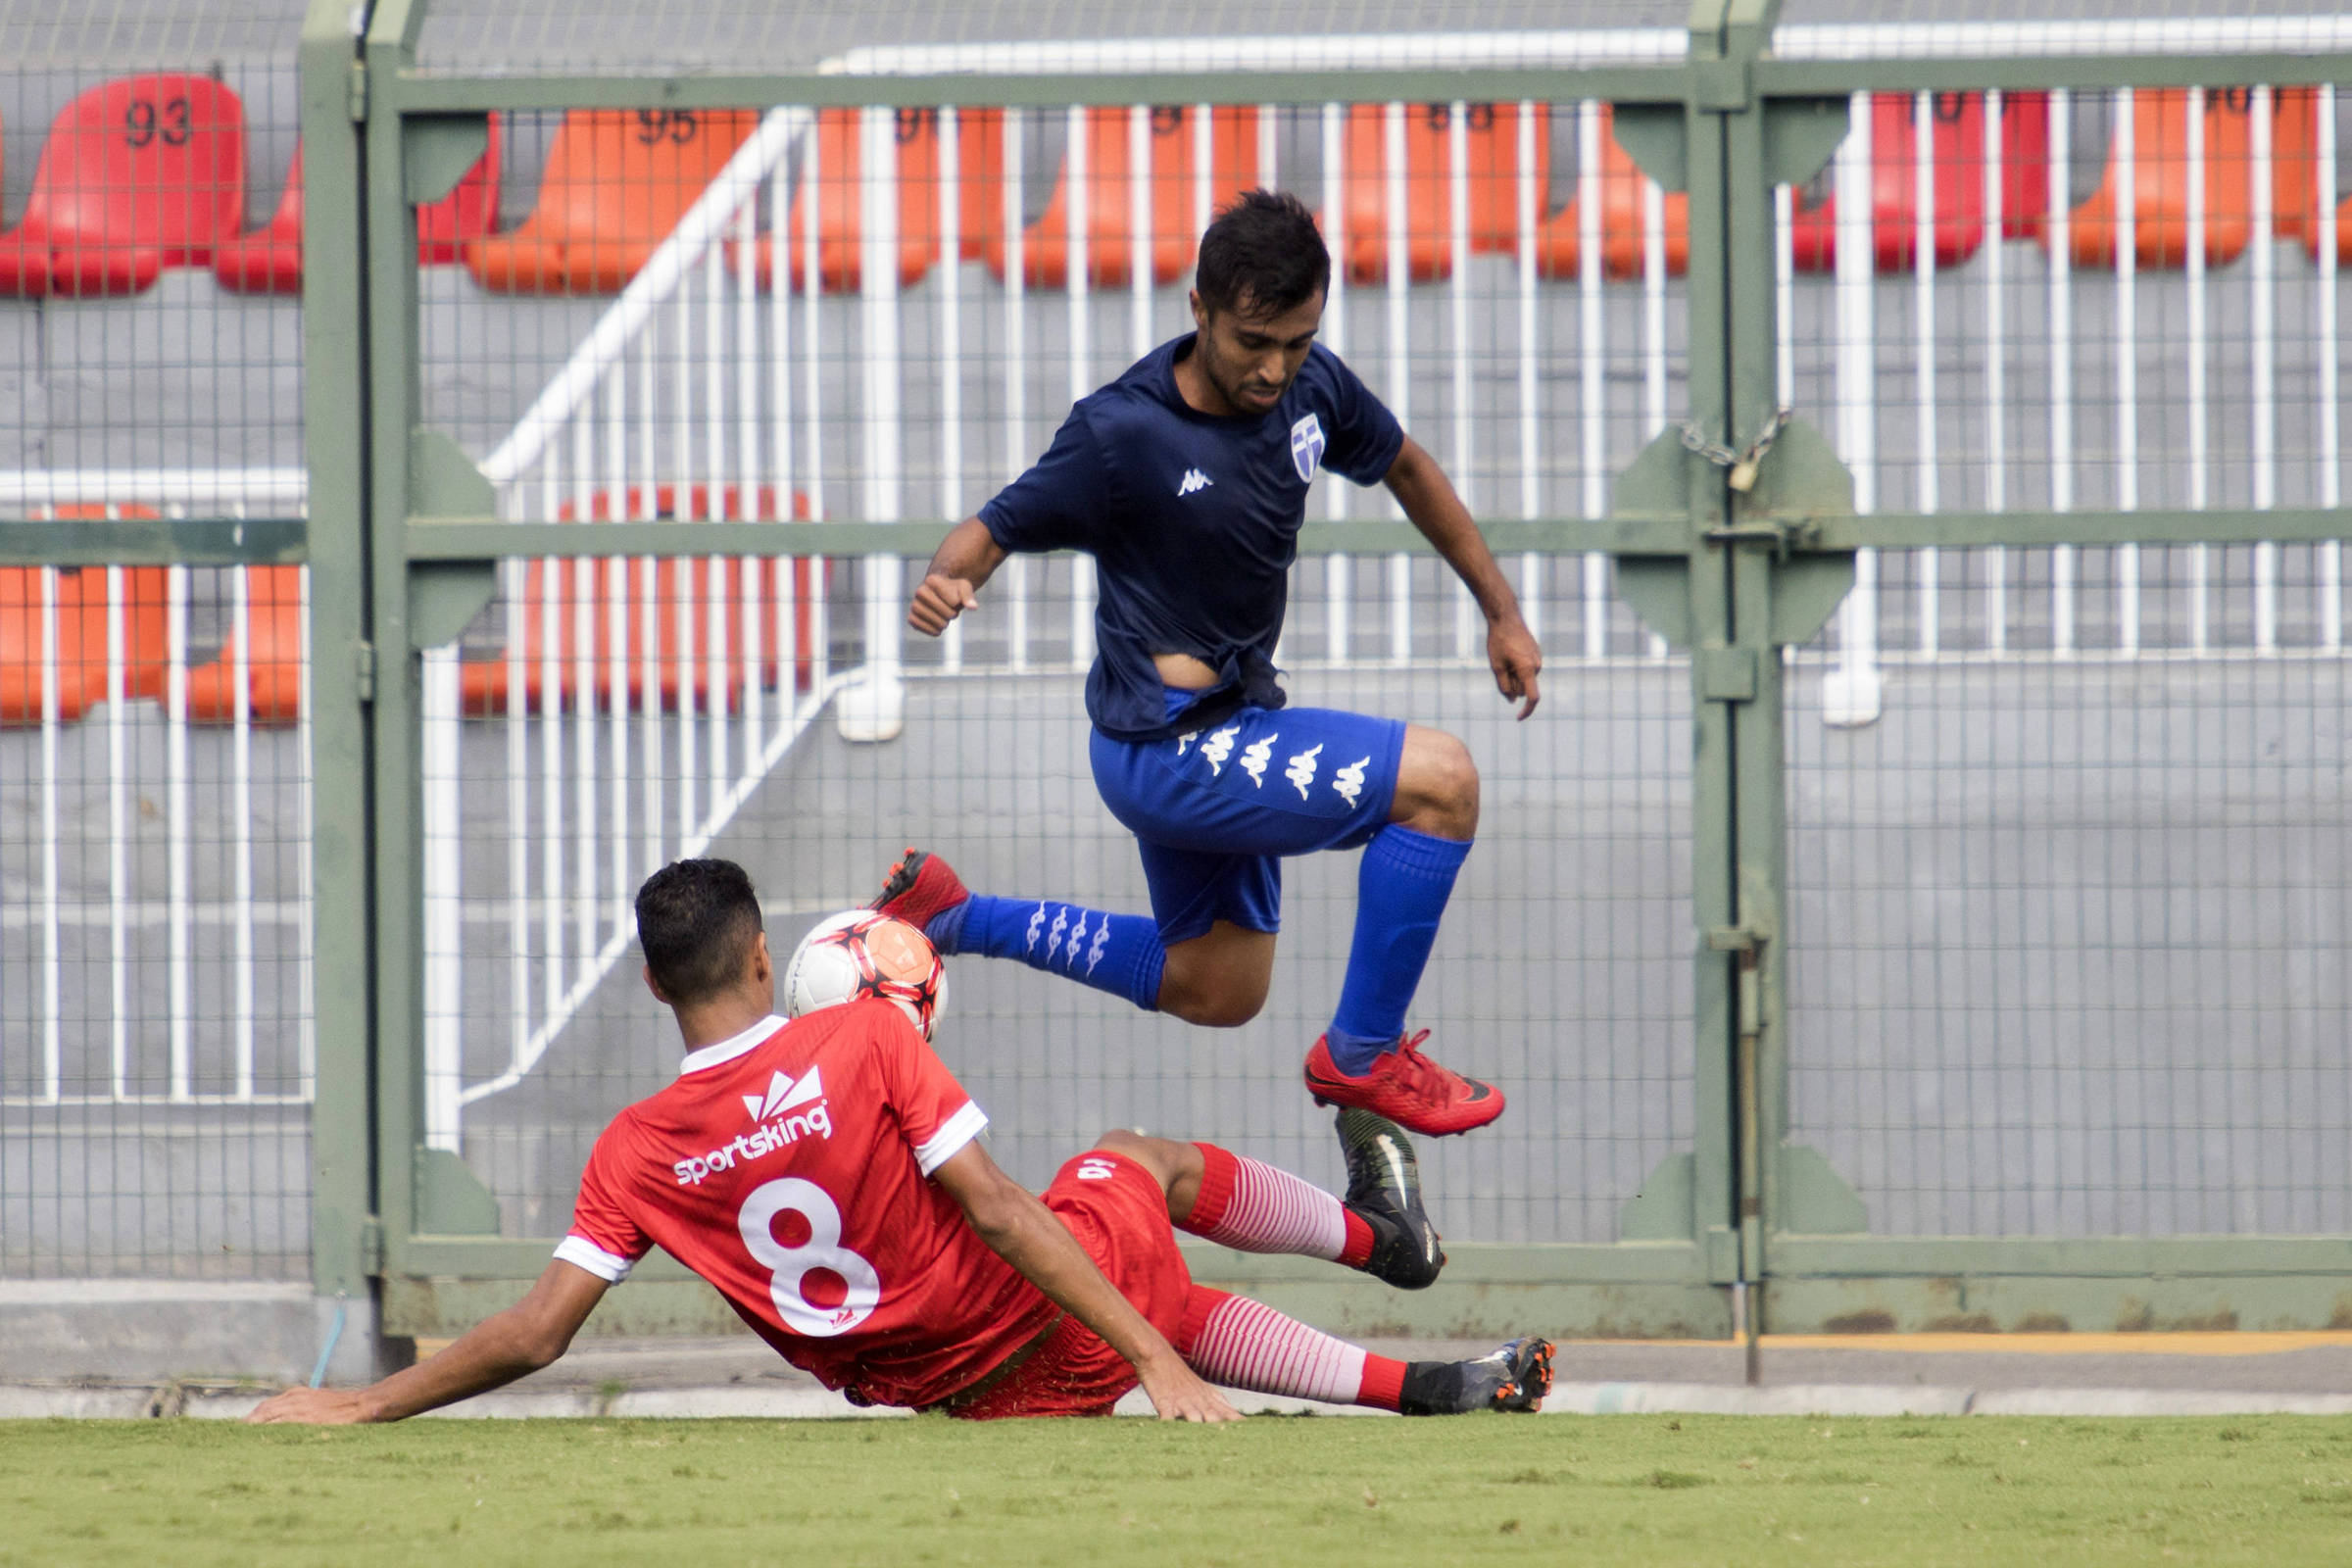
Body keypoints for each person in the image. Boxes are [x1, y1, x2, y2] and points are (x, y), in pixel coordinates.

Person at [247, 859, 1552, 1425]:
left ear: (654, 988)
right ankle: (1379, 1239)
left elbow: (535, 1336)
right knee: (1127, 1164)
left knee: (1149, 1273)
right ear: (769, 958)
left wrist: (356, 1403)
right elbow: (995, 1211)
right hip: (1068, 1329)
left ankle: (1424, 1388)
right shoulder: (869, 1042)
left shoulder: (634, 1151)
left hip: (971, 1396)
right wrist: (1154, 1363)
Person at [877, 188, 1542, 1141]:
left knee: (1217, 987)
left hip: (1234, 726)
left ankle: (955, 914)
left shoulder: (1314, 387)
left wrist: (1502, 610)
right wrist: (945, 582)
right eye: (1252, 342)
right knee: (1443, 783)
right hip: (1168, 748)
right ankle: (1364, 1056)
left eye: (1298, 341)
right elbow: (991, 528)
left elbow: (1405, 464)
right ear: (1200, 310)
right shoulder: (1122, 433)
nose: (1275, 370)